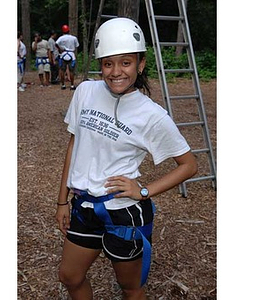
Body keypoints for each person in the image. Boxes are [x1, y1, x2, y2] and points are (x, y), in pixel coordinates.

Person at [56, 18, 198, 300]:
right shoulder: (85, 92)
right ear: (100, 64)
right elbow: (74, 144)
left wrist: (143, 191)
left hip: (124, 213)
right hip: (83, 207)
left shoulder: (151, 114)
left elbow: (189, 165)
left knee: (130, 289)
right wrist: (61, 201)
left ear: (140, 64)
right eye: (108, 63)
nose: (116, 71)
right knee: (69, 277)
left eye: (125, 63)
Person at [55, 24, 79, 90]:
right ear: (69, 30)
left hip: (63, 54)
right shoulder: (73, 38)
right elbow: (77, 46)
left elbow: (56, 44)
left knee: (62, 70)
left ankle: (63, 85)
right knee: (71, 71)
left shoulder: (61, 38)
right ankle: (72, 85)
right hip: (71, 54)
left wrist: (60, 49)